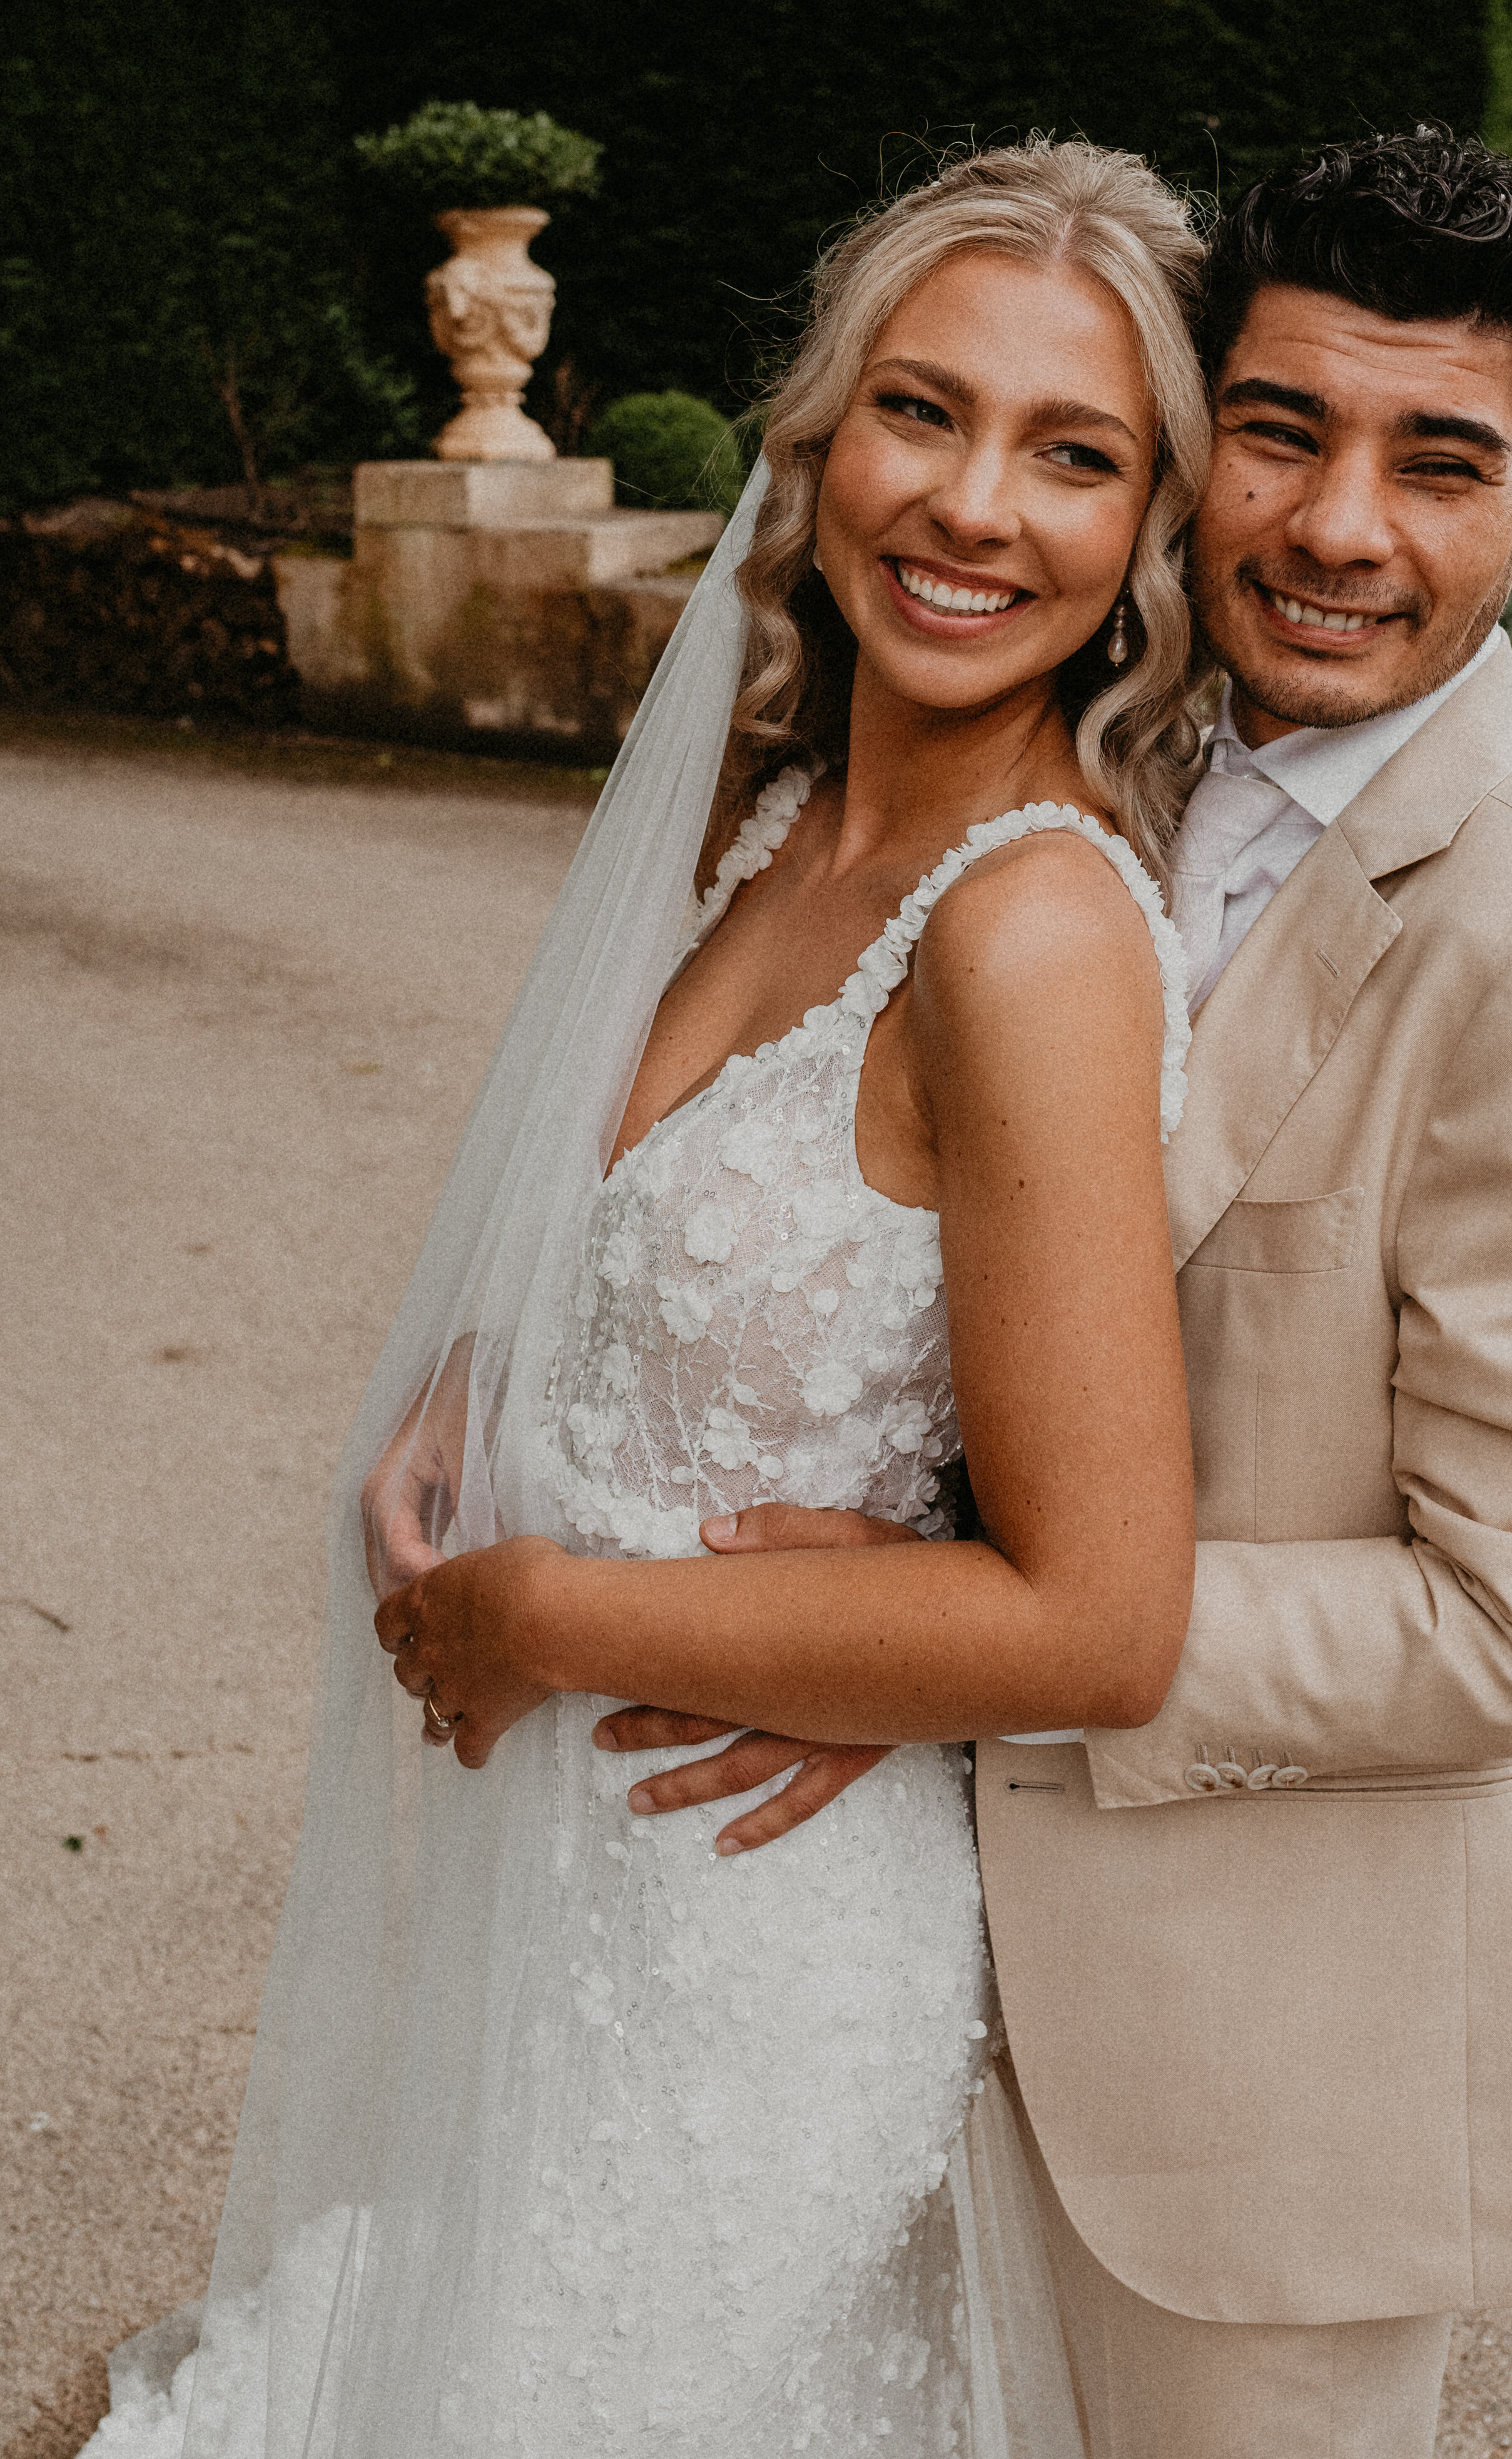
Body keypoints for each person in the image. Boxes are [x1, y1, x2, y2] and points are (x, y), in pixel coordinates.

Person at [616, 129, 1512, 2458]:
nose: (1339, 528)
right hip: (857, 1988)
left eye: (1438, 464)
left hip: (1261, 2100)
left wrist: (970, 1636)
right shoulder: (1089, 759)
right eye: (1280, 432)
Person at [89, 139, 1216, 2459]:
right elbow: (697, 1245)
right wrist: (497, 1369)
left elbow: (1097, 1620)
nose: (975, 504)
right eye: (924, 411)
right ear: (815, 447)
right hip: (575, 1909)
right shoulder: (788, 819)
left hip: (757, 1967)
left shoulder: (1028, 936)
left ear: (1144, 547)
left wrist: (549, 1616)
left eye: (1073, 453)